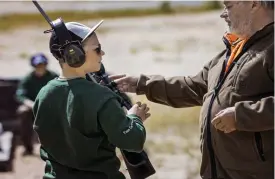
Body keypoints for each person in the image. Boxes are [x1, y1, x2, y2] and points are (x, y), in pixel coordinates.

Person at [111, 1, 274, 179]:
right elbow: (194, 87)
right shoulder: (230, 52)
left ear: (254, 4)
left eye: (228, 5)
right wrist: (142, 84)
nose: (223, 14)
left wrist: (240, 116)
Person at [32, 21, 150, 179]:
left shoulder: (43, 94)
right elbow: (132, 142)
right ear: (75, 53)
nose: (102, 54)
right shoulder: (102, 97)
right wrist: (135, 118)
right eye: (97, 49)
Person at [16, 53, 58, 156]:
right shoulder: (28, 79)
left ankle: (56, 148)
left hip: (49, 107)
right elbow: (20, 94)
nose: (40, 68)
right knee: (23, 112)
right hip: (33, 107)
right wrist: (30, 103)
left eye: (42, 65)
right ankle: (28, 147)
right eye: (37, 66)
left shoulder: (53, 77)